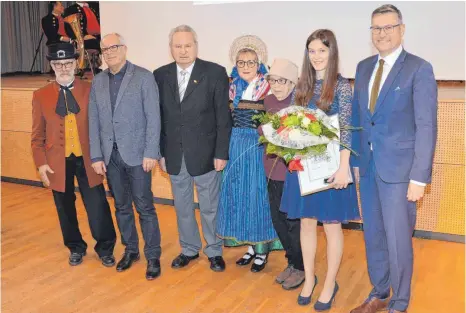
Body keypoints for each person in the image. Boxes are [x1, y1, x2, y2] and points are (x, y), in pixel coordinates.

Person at [350, 5, 437, 313]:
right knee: (372, 233)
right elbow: (359, 120)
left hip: (400, 172)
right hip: (370, 168)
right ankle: (380, 291)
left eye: (388, 27)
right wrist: (353, 164)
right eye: (376, 28)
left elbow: (426, 126)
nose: (381, 34)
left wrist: (419, 178)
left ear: (402, 29)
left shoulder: (418, 68)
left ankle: (399, 303)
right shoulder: (362, 67)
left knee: (399, 241)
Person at [280, 29, 360, 311]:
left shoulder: (340, 86)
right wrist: (287, 147)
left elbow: (347, 130)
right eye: (311, 51)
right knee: (306, 223)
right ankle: (310, 280)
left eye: (321, 51)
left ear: (332, 52)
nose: (316, 56)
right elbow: (291, 124)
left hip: (332, 169)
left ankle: (329, 284)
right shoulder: (302, 84)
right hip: (304, 169)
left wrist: (343, 169)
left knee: (332, 225)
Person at [153, 25, 232, 272]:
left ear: (196, 46)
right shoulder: (160, 75)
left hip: (206, 154)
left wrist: (221, 153)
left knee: (210, 207)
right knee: (182, 207)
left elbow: (223, 117)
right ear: (171, 49)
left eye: (188, 45)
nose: (183, 50)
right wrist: (161, 152)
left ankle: (214, 250)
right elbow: (158, 118)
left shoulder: (215, 73)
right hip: (174, 155)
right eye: (178, 46)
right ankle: (189, 249)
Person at [31, 42, 116, 267]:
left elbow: (103, 127)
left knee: (97, 205)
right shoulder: (40, 95)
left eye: (68, 62)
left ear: (75, 63)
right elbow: (37, 136)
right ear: (51, 65)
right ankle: (75, 247)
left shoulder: (90, 88)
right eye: (58, 64)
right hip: (56, 162)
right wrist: (41, 164)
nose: (64, 67)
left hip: (88, 159)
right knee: (64, 208)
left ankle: (105, 247)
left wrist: (101, 157)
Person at [88, 33, 163, 280]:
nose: (109, 52)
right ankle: (131, 250)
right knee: (121, 207)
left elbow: (154, 117)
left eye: (114, 47)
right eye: (105, 48)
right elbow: (94, 121)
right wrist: (96, 155)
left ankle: (153, 255)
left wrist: (152, 152)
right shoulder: (97, 81)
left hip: (139, 156)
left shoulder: (143, 76)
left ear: (125, 49)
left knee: (145, 207)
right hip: (111, 157)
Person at [217, 35, 282, 273]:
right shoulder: (231, 87)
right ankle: (251, 247)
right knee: (240, 195)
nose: (246, 66)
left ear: (259, 64)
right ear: (235, 64)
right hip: (236, 145)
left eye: (251, 62)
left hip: (257, 147)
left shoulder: (267, 86)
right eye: (241, 62)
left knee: (257, 197)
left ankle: (262, 250)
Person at [261, 58, 305, 289]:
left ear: (292, 82)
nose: (276, 85)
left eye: (281, 81)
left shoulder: (300, 102)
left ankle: (301, 267)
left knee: (293, 223)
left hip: (292, 174)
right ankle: (291, 261)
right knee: (277, 220)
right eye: (272, 80)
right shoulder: (267, 101)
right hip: (270, 170)